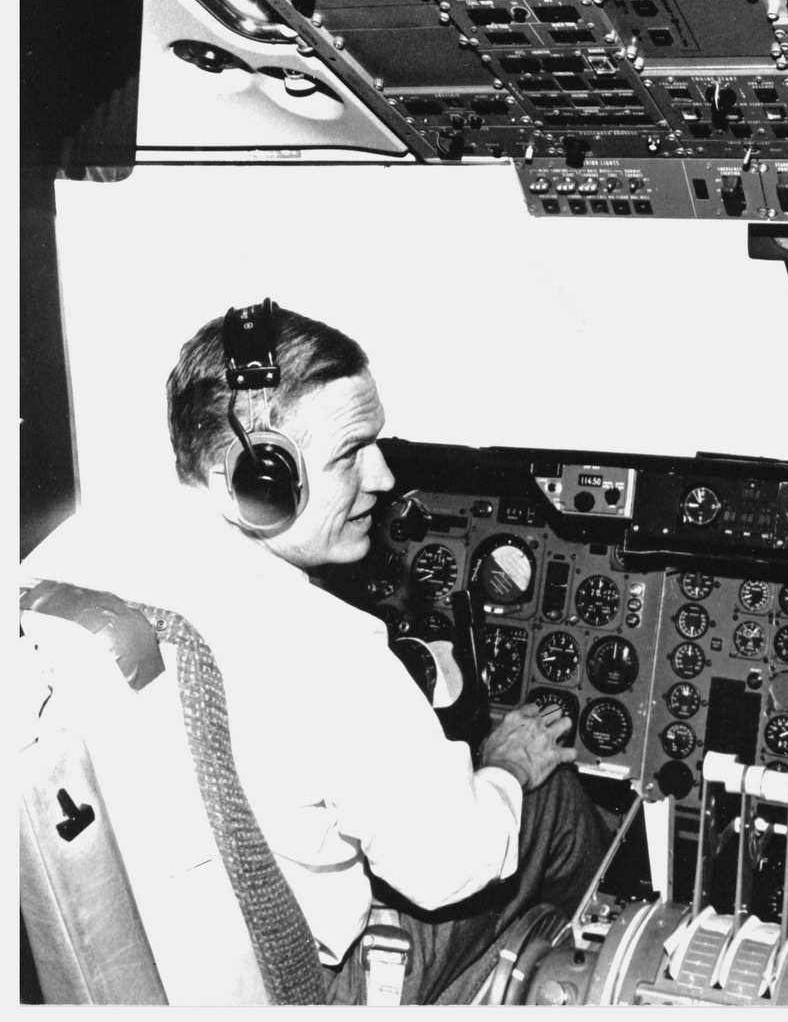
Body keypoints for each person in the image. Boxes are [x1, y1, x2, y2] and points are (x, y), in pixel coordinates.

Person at [22, 302, 609, 1003]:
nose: (385, 476)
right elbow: (448, 868)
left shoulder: (62, 559)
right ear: (251, 480)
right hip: (309, 987)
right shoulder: (326, 644)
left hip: (146, 970)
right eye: (350, 454)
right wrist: (506, 765)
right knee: (547, 796)